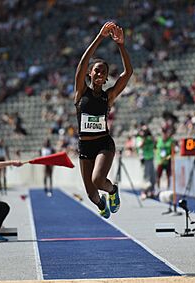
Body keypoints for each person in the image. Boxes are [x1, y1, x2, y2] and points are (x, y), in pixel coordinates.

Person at [74, 22, 133, 219]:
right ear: (90, 74)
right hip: (85, 147)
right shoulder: (81, 92)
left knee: (98, 180)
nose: (100, 74)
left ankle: (113, 190)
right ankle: (101, 204)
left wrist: (121, 45)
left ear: (107, 78)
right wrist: (100, 37)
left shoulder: (108, 96)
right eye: (97, 70)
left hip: (103, 144)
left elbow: (128, 74)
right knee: (91, 194)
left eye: (104, 72)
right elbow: (82, 63)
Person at [136, 126, 156, 200]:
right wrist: (144, 138)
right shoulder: (139, 139)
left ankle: (151, 191)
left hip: (151, 158)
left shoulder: (149, 138)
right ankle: (144, 192)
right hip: (144, 159)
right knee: (145, 177)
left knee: (153, 176)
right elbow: (140, 145)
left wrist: (150, 135)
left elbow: (155, 143)